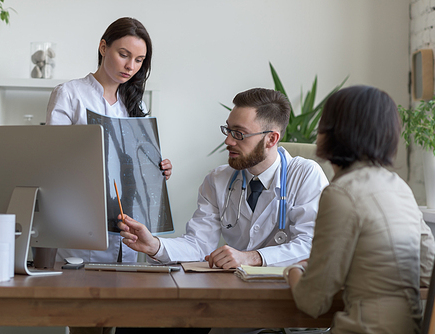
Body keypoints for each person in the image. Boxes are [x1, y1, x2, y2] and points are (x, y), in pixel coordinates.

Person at [119, 87, 328, 270]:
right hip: (233, 289)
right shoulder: (217, 179)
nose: (228, 140)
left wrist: (252, 257)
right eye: (228, 130)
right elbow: (199, 244)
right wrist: (154, 245)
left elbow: (311, 244)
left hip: (286, 292)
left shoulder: (305, 175)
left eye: (239, 133)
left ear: (271, 138)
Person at [284, 85, 435, 334]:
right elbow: (428, 270)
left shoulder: (341, 193)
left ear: (334, 131)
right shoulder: (399, 188)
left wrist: (294, 269)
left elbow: (312, 301)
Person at [46, 17, 172, 266]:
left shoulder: (136, 104)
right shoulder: (70, 94)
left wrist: (159, 169)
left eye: (139, 60)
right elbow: (53, 160)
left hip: (127, 230)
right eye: (124, 54)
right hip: (81, 225)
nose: (130, 66)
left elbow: (140, 164)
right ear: (104, 47)